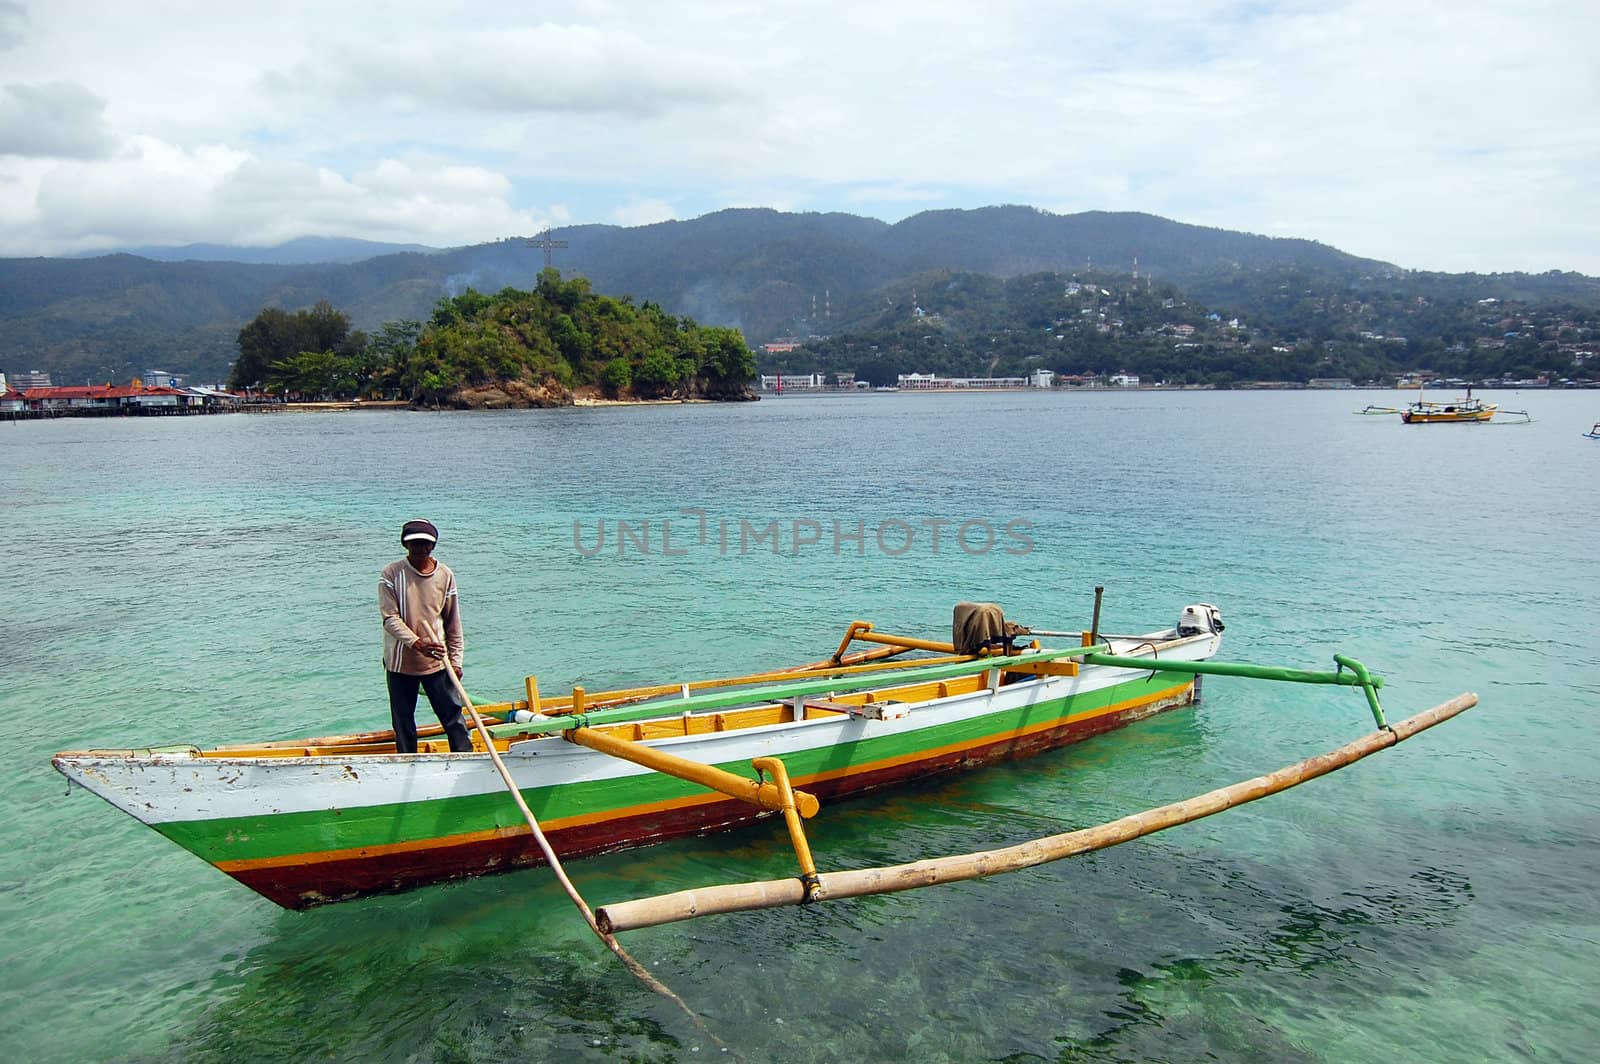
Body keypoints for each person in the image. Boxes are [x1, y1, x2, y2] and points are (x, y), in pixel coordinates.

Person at [379, 519, 473, 753]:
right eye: (415, 544)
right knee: (403, 723)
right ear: (405, 545)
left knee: (453, 718)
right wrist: (418, 644)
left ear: (433, 546)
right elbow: (390, 619)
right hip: (400, 663)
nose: (420, 549)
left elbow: (453, 623)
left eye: (425, 544)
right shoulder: (391, 574)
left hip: (437, 663)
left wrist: (456, 661)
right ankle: (408, 761)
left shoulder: (445, 575)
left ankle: (464, 758)